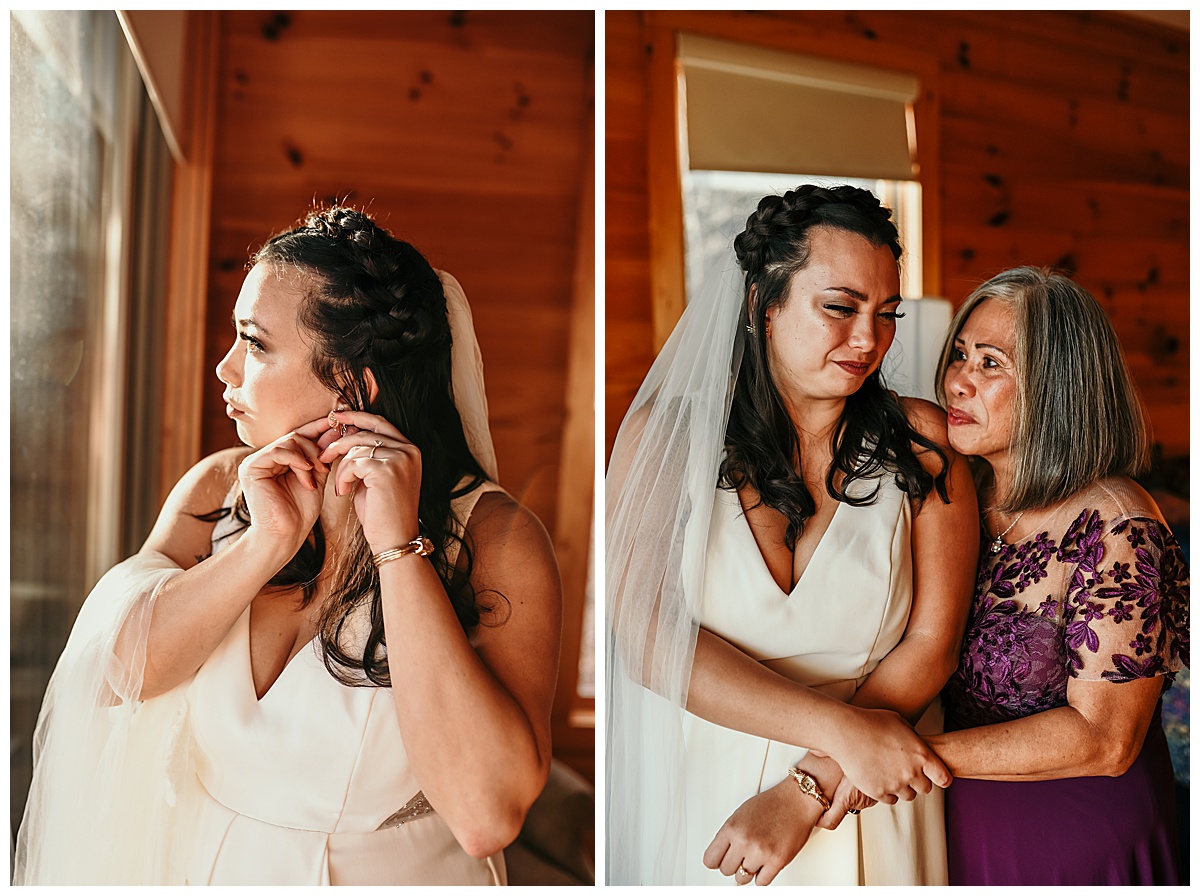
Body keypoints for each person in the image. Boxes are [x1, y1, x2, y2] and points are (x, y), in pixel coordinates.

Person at [13, 207, 563, 885]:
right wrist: (262, 545)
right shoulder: (218, 486)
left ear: (352, 387)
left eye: (256, 343)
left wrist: (397, 547)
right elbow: (111, 676)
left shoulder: (498, 539)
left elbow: (486, 815)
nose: (225, 366)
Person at [606, 185, 978, 884]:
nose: (869, 339)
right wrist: (840, 733)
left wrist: (806, 788)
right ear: (763, 304)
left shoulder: (924, 440)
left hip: (865, 797)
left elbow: (933, 645)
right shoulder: (670, 437)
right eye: (839, 307)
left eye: (886, 314)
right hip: (715, 801)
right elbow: (648, 635)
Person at [922, 266, 1188, 884]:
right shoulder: (959, 493)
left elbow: (1105, 740)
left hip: (1069, 834)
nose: (958, 380)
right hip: (952, 817)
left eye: (991, 364)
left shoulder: (1118, 524)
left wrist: (895, 757)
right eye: (960, 354)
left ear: (1056, 388)